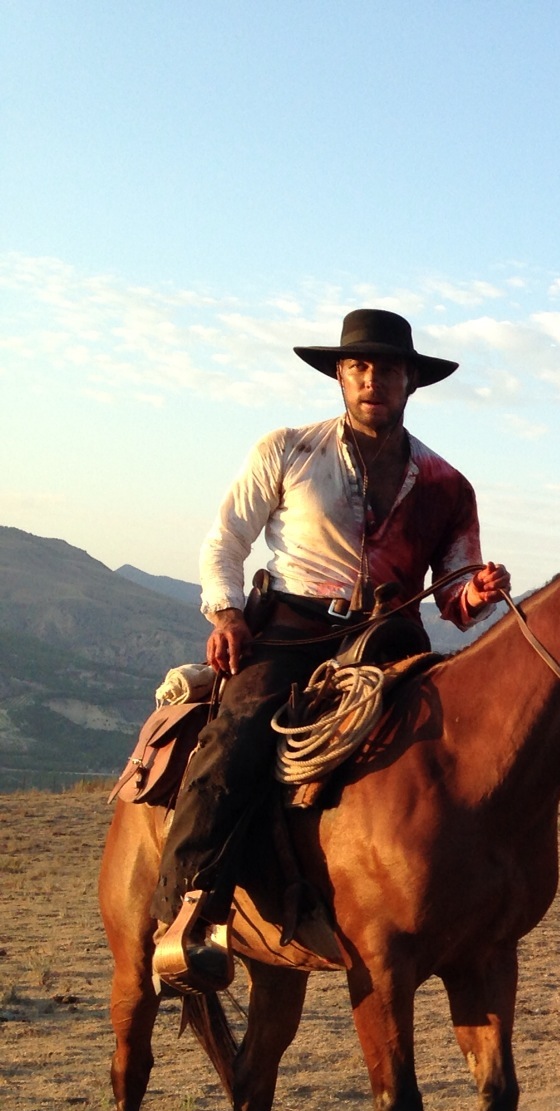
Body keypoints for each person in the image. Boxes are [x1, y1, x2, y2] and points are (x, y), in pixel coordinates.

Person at [152, 309, 511, 993]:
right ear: (341, 376)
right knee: (235, 739)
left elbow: (455, 599)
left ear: (412, 382)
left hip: (393, 642)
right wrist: (226, 613)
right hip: (293, 630)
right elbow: (225, 541)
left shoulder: (446, 485)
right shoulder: (287, 451)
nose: (373, 378)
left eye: (388, 368)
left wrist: (481, 590)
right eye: (360, 366)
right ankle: (189, 913)